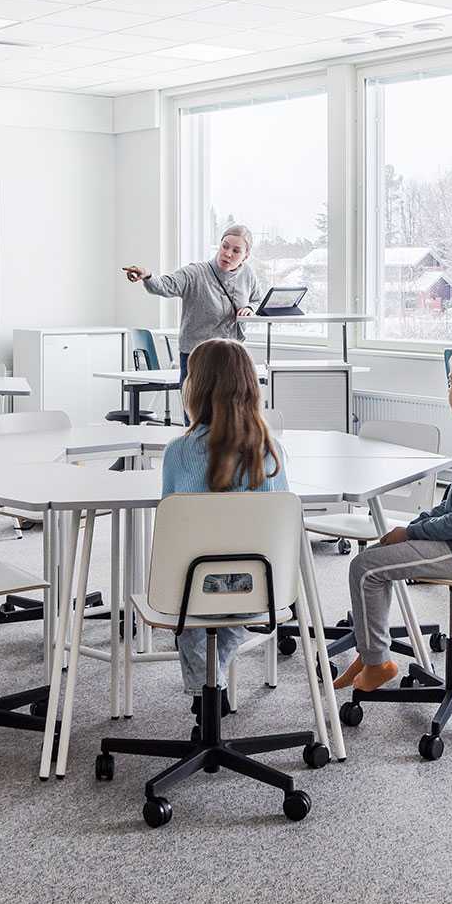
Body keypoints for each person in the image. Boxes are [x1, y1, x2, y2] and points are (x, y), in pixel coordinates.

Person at [334, 345, 452, 694]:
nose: (447, 388)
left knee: (364, 567)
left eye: (450, 381)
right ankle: (371, 651)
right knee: (377, 557)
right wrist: (412, 528)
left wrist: (411, 531)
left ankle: (377, 662)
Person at [158, 339, 286, 703]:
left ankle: (206, 687)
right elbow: (283, 526)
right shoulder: (272, 450)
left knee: (190, 577)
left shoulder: (178, 452)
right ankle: (212, 684)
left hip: (191, 594)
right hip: (260, 590)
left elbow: (169, 529)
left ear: (194, 388)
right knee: (230, 574)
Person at [123, 225, 260, 380]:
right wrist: (147, 275)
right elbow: (165, 285)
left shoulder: (247, 274)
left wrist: (250, 307)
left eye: (236, 251)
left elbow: (257, 299)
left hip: (232, 355)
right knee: (195, 404)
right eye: (225, 246)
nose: (228, 254)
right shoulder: (195, 273)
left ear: (246, 255)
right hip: (197, 355)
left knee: (228, 404)